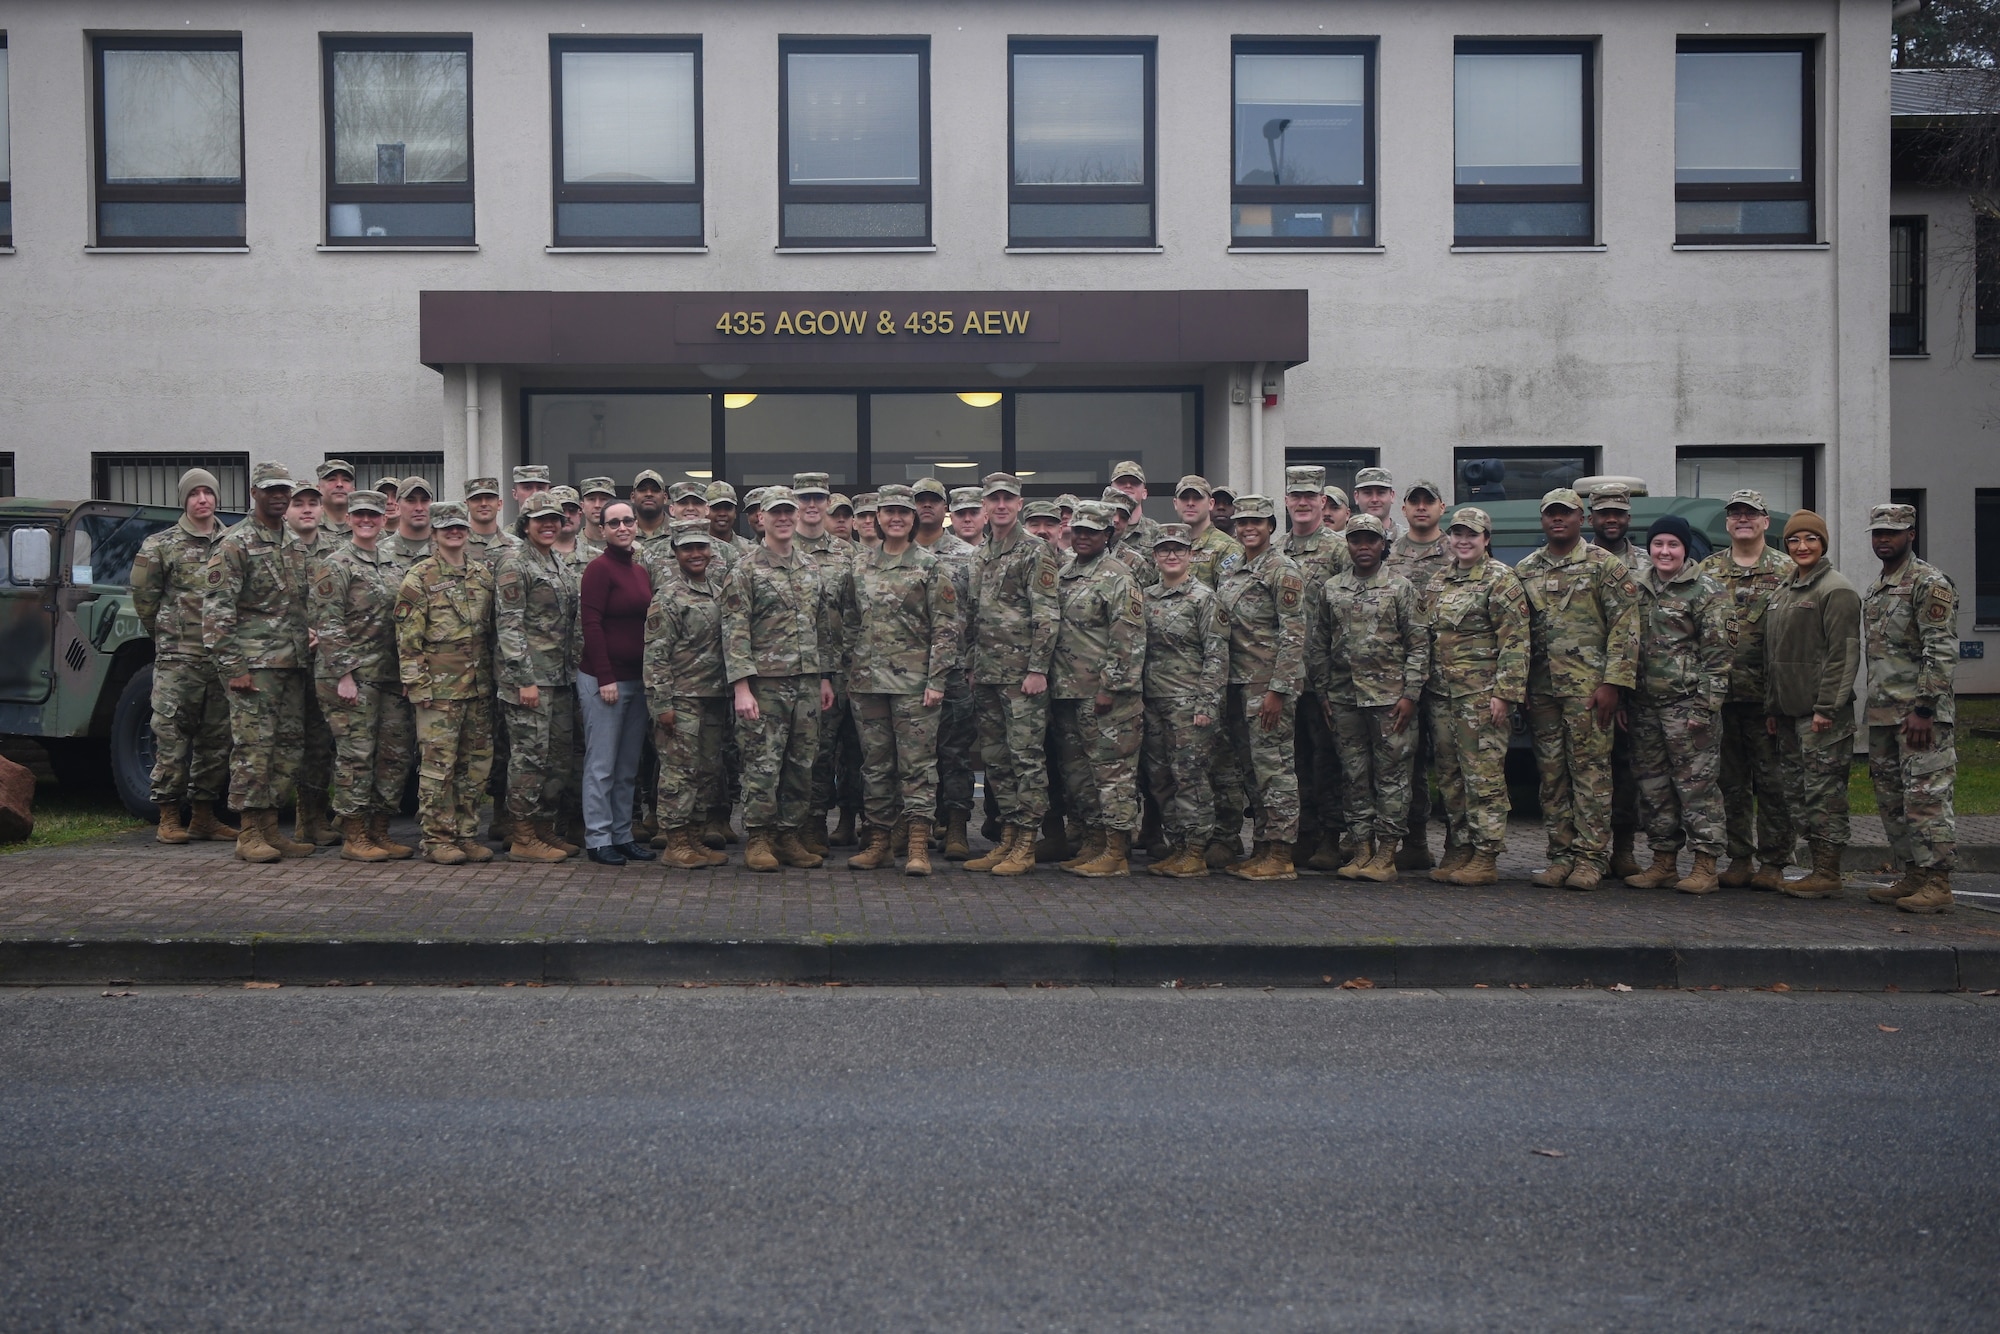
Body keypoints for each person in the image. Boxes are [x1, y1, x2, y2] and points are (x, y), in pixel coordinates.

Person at [1516, 488, 1640, 890]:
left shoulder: (1604, 566)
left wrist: (1613, 683)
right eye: (1551, 514)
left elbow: (1626, 625)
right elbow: (1518, 633)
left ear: (1581, 519)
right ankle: (1560, 854)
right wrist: (1520, 687)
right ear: (1542, 520)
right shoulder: (1527, 568)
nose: (1558, 520)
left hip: (1589, 690)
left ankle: (1591, 857)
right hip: (1543, 691)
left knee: (1591, 774)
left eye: (1566, 514)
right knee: (1552, 776)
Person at [839, 486, 959, 875]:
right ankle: (879, 842)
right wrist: (849, 671)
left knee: (917, 766)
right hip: (867, 682)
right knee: (875, 766)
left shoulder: (929, 565)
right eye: (888, 511)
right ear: (875, 518)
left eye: (903, 513)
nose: (896, 518)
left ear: (914, 519)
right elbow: (848, 621)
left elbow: (945, 627)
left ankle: (918, 846)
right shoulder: (859, 565)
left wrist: (936, 679)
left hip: (913, 683)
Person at [203, 461, 315, 863]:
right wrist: (234, 668)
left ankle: (271, 828)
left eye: (284, 489)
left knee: (287, 750)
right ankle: (248, 832)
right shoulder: (234, 543)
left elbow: (303, 604)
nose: (280, 496)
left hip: (292, 665)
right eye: (271, 489)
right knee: (253, 749)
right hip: (254, 668)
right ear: (255, 493)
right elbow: (217, 612)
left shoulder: (295, 542)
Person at [723, 487, 836, 871]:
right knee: (762, 764)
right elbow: (734, 630)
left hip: (806, 681)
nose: (785, 518)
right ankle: (759, 837)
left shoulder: (809, 567)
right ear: (761, 518)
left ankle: (789, 835)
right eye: (777, 513)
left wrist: (823, 677)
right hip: (764, 684)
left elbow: (822, 626)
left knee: (802, 762)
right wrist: (741, 687)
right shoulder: (745, 569)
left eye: (789, 511)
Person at [1312, 514, 1428, 884]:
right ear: (1347, 544)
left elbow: (1419, 644)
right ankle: (1361, 847)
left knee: (1393, 776)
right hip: (1345, 698)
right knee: (1354, 776)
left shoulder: (1400, 587)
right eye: (1356, 540)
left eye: (1371, 540)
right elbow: (1319, 644)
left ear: (1382, 544)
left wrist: (1411, 694)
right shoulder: (1332, 588)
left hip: (1390, 700)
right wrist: (1325, 692)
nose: (1363, 546)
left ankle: (1386, 852)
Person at [1620, 515, 1733, 894]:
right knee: (1653, 789)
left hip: (1688, 707)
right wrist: (1624, 696)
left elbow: (1719, 657)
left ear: (1685, 549)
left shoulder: (1706, 591)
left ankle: (1705, 863)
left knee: (1697, 788)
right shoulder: (1635, 587)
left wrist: (1706, 707)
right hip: (1644, 707)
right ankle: (1663, 861)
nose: (1664, 552)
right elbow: (1623, 646)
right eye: (1658, 544)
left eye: (1672, 545)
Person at [130, 467, 237, 845]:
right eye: (194, 494)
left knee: (217, 739)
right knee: (171, 736)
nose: (202, 499)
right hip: (178, 659)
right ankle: (169, 814)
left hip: (221, 658)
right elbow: (145, 600)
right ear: (185, 500)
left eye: (208, 492)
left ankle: (205, 816)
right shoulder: (161, 546)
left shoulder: (233, 542)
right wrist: (168, 635)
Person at [1422, 507, 1529, 885]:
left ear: (1486, 539)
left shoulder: (1501, 580)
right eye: (1457, 534)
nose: (1463, 541)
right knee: (1450, 777)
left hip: (1481, 697)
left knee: (1483, 777)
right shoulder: (1440, 580)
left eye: (1472, 534)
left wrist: (1505, 693)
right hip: (1443, 695)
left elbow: (1515, 640)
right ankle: (1461, 847)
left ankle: (1486, 854)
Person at [1862, 502, 1960, 913]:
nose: (1884, 539)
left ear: (1910, 535)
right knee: (1893, 801)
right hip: (1885, 714)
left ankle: (1938, 882)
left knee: (1926, 798)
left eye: (1893, 532)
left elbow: (1940, 649)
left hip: (1919, 716)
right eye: (1878, 532)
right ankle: (1914, 873)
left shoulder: (1929, 582)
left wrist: (1925, 707)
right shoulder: (1879, 586)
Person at [307, 489, 414, 861]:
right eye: (360, 515)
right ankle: (354, 834)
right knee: (357, 755)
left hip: (389, 675)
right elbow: (328, 622)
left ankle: (379, 829)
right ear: (350, 518)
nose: (367, 521)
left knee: (395, 755)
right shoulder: (335, 564)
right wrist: (344, 674)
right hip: (351, 676)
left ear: (385, 519)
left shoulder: (393, 564)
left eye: (374, 515)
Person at [1698, 489, 1797, 891]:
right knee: (1730, 783)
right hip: (1722, 698)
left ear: (1765, 521)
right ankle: (1739, 857)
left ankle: (1774, 861)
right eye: (1736, 514)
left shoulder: (1788, 570)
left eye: (1751, 514)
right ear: (1727, 523)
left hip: (1768, 699)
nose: (1743, 519)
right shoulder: (1707, 571)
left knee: (1773, 783)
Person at [964, 472, 1061, 875]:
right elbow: (972, 616)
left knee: (1026, 759)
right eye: (994, 500)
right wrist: (971, 665)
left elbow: (1047, 615)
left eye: (1008, 499)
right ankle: (1006, 837)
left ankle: (1026, 842)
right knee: (996, 761)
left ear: (1019, 504)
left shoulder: (1035, 551)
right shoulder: (980, 555)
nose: (1001, 505)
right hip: (987, 674)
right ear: (985, 507)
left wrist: (1038, 668)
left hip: (1023, 677)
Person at [1761, 510, 1862, 899]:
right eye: (1793, 541)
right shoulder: (1784, 592)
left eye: (1810, 539)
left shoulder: (1835, 590)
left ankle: (1827, 871)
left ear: (1823, 544)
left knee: (1824, 795)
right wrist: (1772, 708)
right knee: (1799, 793)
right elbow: (1775, 657)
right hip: (1787, 714)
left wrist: (1827, 708)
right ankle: (1816, 868)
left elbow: (1843, 654)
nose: (1802, 547)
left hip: (1820, 716)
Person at [395, 503, 497, 865]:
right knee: (439, 767)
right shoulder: (419, 577)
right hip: (439, 690)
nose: (454, 533)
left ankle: (466, 834)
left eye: (459, 527)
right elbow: (408, 639)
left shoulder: (482, 575)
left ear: (467, 532)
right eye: (446, 528)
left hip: (478, 687)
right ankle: (437, 838)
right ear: (435, 534)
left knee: (476, 765)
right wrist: (418, 686)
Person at [1048, 502, 1145, 876]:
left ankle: (1117, 851)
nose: (1083, 536)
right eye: (1078, 530)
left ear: (1108, 535)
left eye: (1093, 531)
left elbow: (1129, 638)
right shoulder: (1065, 572)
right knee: (1079, 776)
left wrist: (1112, 687)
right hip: (1068, 693)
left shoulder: (1118, 576)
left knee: (1112, 775)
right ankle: (1093, 842)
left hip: (1106, 697)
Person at [1214, 495, 1307, 880]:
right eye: (1243, 522)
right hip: (1236, 683)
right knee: (1251, 770)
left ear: (1271, 525)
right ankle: (1262, 847)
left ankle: (1282, 854)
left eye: (1258, 522)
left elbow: (1294, 632)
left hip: (1265, 685)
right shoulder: (1234, 568)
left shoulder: (1282, 569)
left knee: (1275, 768)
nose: (1249, 528)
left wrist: (1279, 689)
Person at [493, 493, 581, 863]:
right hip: (530, 680)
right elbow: (509, 625)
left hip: (560, 678)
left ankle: (545, 829)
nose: (548, 525)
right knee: (528, 758)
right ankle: (523, 835)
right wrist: (523, 678)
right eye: (540, 520)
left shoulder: (557, 562)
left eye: (554, 519)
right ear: (525, 523)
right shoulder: (515, 562)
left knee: (558, 759)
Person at [1142, 524, 1229, 878]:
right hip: (1153, 703)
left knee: (1190, 777)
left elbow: (1217, 654)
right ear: (1155, 557)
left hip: (1189, 704)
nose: (1172, 556)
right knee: (1160, 778)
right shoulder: (1145, 597)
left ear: (1191, 555)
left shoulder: (1204, 598)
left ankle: (1195, 849)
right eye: (1164, 550)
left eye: (1179, 549)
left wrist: (1207, 704)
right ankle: (1176, 844)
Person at [643, 520, 731, 870]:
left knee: (706, 771)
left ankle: (695, 836)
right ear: (676, 554)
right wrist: (661, 705)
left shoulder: (716, 590)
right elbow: (655, 656)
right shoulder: (668, 597)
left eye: (701, 548)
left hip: (713, 697)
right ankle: (676, 842)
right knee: (678, 773)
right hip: (681, 700)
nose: (696, 554)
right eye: (688, 549)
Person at [577, 500, 658, 866]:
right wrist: (605, 676)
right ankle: (598, 838)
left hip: (637, 681)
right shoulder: (598, 569)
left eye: (628, 521)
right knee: (602, 765)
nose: (623, 527)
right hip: (604, 681)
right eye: (614, 523)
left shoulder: (640, 572)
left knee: (628, 767)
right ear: (604, 529)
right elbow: (591, 625)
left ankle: (622, 834)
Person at [1279, 465, 1349, 872]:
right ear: (1287, 501)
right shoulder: (1278, 550)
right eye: (1295, 496)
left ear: (1323, 502)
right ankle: (1301, 834)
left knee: (1328, 758)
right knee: (1293, 758)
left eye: (1310, 497)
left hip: (1327, 675)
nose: (1302, 503)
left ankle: (1330, 836)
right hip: (1288, 675)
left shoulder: (1340, 549)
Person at [1587, 482, 1650, 879]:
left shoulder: (1645, 562)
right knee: (1587, 771)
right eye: (1604, 513)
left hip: (1633, 682)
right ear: (1591, 517)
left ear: (1628, 518)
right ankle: (1587, 849)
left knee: (1626, 770)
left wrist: (1623, 688)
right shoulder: (1577, 558)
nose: (1611, 519)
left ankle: (1623, 849)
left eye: (1618, 513)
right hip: (1583, 683)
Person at [1386, 479, 1449, 871]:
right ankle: (1414, 841)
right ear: (1404, 510)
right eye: (1415, 502)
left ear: (1442, 507)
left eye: (1429, 502)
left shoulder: (1458, 550)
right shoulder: (1390, 556)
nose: (1422, 508)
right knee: (1404, 759)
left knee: (1447, 759)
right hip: (1400, 676)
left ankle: (1460, 848)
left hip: (1447, 673)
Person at [285, 478, 340, 847]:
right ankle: (270, 824)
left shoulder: (337, 550)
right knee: (284, 742)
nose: (307, 509)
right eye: (298, 503)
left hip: (325, 660)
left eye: (312, 503)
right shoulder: (274, 548)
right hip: (283, 661)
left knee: (321, 741)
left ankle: (314, 817)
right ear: (286, 510)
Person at [1172, 475, 1243, 588]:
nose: (1190, 503)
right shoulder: (1167, 546)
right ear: (1175, 503)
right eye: (1184, 498)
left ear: (1211, 504)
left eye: (1197, 498)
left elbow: (1229, 600)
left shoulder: (1227, 548)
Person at [463, 478, 520, 566]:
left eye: (489, 498)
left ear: (499, 504)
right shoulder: (457, 546)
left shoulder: (518, 545)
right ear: (466, 506)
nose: (483, 503)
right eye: (477, 499)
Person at [1109, 461, 1164, 551]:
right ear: (1110, 490)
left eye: (1134, 482)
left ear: (1144, 493)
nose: (1128, 485)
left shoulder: (1157, 532)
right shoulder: (1099, 528)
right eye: (1121, 482)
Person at [382, 476, 434, 571]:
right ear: (397, 507)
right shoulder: (379, 552)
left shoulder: (446, 551)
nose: (419, 508)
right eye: (411, 501)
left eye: (424, 500)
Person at [1351, 466, 1400, 540]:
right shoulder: (1342, 542)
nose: (1374, 499)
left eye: (1381, 493)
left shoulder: (1409, 539)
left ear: (1392, 496)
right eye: (1367, 493)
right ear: (1356, 497)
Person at [317, 459, 357, 537]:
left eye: (346, 480)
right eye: (332, 479)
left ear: (353, 490)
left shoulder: (366, 526)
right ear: (318, 489)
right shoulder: (307, 524)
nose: (339, 484)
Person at [630, 470, 671, 543]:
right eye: (642, 490)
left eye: (655, 490)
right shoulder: (623, 531)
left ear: (665, 498)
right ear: (633, 497)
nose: (649, 494)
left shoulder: (678, 530)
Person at [579, 476, 617, 547]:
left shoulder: (627, 546)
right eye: (591, 499)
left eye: (603, 499)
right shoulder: (571, 546)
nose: (597, 505)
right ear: (582, 506)